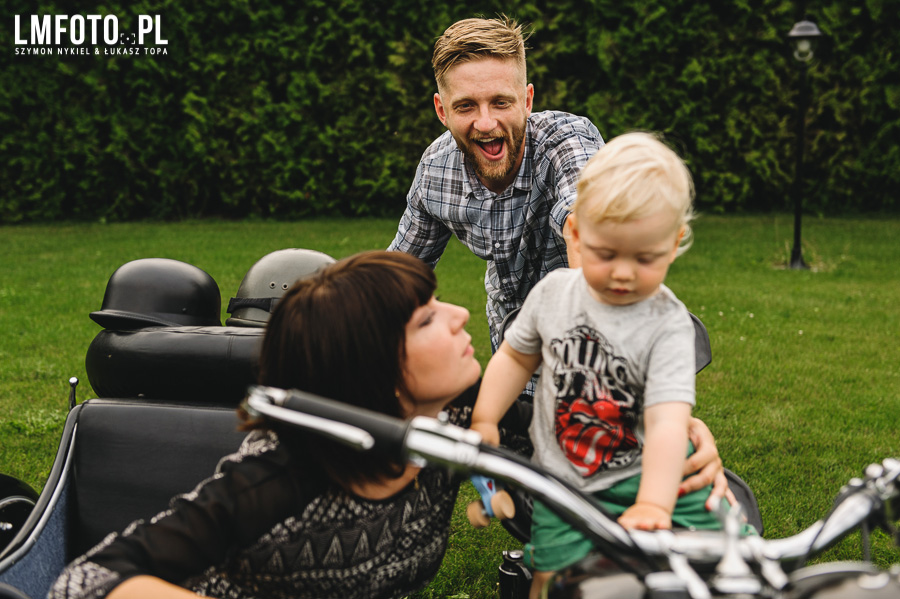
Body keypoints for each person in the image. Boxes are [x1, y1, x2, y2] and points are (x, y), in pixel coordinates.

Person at [49, 251, 729, 599]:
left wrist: (678, 440)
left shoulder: (455, 416)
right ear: (376, 368)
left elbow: (579, 432)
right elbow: (88, 580)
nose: (460, 315)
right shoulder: (285, 473)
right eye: (427, 318)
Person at [471, 132, 754, 598]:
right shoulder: (552, 295)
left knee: (733, 551)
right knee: (551, 578)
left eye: (645, 258)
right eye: (606, 254)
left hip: (654, 472)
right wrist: (485, 418)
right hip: (565, 480)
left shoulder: (667, 323)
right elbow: (515, 357)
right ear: (576, 233)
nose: (623, 272)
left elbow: (667, 422)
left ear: (674, 243)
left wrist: (654, 504)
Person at [387, 15, 603, 353]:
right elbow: (398, 274)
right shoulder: (436, 171)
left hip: (592, 339)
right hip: (509, 345)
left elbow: (587, 222)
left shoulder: (567, 141)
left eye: (501, 102)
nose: (486, 123)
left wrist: (587, 326)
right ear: (442, 111)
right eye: (466, 106)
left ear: (527, 101)